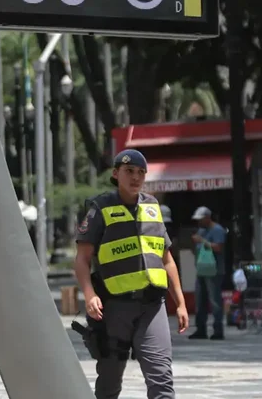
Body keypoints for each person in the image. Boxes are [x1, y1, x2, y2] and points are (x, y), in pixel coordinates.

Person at [74, 149, 189, 399]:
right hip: (115, 308)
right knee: (110, 382)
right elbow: (82, 260)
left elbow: (166, 259)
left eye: (140, 172)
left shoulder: (152, 207)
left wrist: (179, 302)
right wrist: (89, 294)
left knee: (162, 381)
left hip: (152, 306)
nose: (135, 177)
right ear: (116, 174)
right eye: (129, 171)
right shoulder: (100, 208)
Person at [188, 206, 227, 340]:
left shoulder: (217, 230)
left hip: (214, 270)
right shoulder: (201, 230)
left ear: (207, 218)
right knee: (200, 300)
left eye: (200, 219)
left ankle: (218, 330)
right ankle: (201, 329)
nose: (199, 222)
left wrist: (202, 241)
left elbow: (218, 247)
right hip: (202, 269)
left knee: (214, 300)